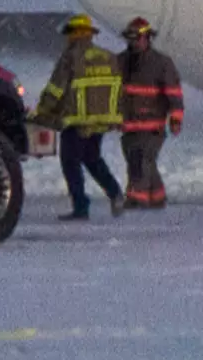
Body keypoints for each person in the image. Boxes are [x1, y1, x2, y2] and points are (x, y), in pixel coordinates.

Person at [31, 13, 125, 221]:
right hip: (101, 121)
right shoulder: (109, 57)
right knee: (92, 158)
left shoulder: (71, 57)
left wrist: (42, 112)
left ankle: (81, 207)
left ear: (74, 34)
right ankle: (115, 193)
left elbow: (56, 89)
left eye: (70, 34)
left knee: (70, 162)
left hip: (76, 120)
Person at [118, 16, 184, 210]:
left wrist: (176, 118)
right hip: (128, 125)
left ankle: (136, 198)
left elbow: (174, 93)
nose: (134, 42)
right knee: (136, 161)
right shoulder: (120, 61)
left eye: (137, 38)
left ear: (147, 38)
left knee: (142, 161)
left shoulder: (162, 63)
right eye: (131, 38)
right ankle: (157, 197)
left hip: (152, 125)